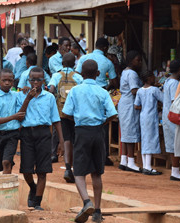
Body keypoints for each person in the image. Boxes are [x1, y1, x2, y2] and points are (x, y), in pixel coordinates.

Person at [62, 60, 117, 223]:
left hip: (81, 131)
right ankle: (98, 211)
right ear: (98, 74)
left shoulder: (74, 91)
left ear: (80, 73)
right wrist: (102, 122)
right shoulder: (102, 92)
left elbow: (66, 113)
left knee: (78, 171)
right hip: (98, 132)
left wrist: (79, 120)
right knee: (97, 172)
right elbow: (113, 114)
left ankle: (86, 201)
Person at [17, 67, 65, 211]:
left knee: (42, 170)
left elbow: (56, 120)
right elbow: (19, 114)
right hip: (27, 133)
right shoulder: (21, 95)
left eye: (39, 79)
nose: (36, 82)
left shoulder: (49, 97)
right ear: (28, 80)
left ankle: (37, 202)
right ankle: (33, 187)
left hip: (44, 134)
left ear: (44, 80)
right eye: (33, 80)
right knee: (26, 169)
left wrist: (61, 141)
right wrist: (28, 98)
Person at [75, 37, 119, 166]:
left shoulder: (83, 58)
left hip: (82, 91)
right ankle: (102, 156)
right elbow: (114, 82)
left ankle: (83, 154)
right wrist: (106, 87)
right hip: (100, 92)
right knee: (101, 125)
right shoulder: (108, 62)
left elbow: (77, 75)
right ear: (105, 48)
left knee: (82, 121)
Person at [48, 53, 83, 183]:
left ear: (62, 63)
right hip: (76, 114)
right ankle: (77, 168)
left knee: (66, 139)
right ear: (74, 63)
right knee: (76, 140)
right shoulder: (78, 77)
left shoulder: (56, 76)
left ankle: (68, 167)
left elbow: (51, 90)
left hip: (62, 113)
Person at [0, 69, 31, 174]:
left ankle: (6, 185)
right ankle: (7, 173)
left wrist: (26, 90)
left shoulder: (16, 95)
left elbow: (26, 97)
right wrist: (14, 117)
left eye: (10, 80)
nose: (7, 83)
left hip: (13, 134)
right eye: (4, 80)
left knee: (6, 161)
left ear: (13, 82)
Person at [117, 50, 143, 173]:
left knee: (126, 132)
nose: (140, 62)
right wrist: (145, 91)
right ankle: (131, 161)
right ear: (131, 61)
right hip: (130, 103)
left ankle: (123, 160)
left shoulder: (125, 71)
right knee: (131, 132)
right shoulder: (132, 73)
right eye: (138, 60)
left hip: (124, 103)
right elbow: (134, 90)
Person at [134, 72, 163, 175]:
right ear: (150, 78)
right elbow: (164, 99)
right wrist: (155, 106)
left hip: (143, 117)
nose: (154, 79)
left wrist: (145, 106)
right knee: (150, 139)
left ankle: (146, 165)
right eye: (153, 77)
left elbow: (136, 106)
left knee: (145, 139)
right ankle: (148, 166)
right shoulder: (154, 90)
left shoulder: (139, 91)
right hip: (151, 117)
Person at [162, 60, 180, 181]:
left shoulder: (167, 81)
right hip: (173, 117)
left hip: (167, 116)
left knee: (172, 143)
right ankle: (175, 170)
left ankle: (175, 170)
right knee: (176, 144)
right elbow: (175, 101)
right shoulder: (175, 83)